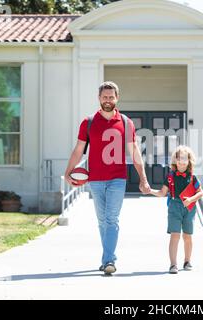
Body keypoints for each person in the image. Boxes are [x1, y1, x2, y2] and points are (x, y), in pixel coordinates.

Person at [64, 81, 150, 275]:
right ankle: (107, 258)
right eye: (105, 97)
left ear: (117, 98)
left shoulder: (126, 123)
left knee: (111, 219)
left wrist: (143, 178)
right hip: (95, 179)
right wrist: (68, 171)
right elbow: (79, 150)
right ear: (99, 98)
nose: (108, 100)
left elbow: (135, 151)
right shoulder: (88, 123)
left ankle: (109, 260)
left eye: (111, 97)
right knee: (102, 220)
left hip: (117, 179)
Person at [149, 145, 203, 274]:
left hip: (189, 208)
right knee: (175, 235)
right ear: (175, 160)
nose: (182, 161)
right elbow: (163, 193)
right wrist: (150, 191)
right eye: (179, 158)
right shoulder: (170, 177)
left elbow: (200, 193)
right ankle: (173, 264)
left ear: (189, 161)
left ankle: (187, 260)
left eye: (184, 159)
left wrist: (191, 199)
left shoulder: (192, 177)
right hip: (174, 207)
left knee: (187, 236)